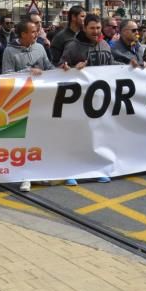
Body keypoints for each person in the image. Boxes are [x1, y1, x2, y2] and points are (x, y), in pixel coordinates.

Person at [60, 14, 115, 183]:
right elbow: (60, 68)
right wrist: (73, 69)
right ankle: (72, 172)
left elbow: (112, 65)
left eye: (98, 28)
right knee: (78, 137)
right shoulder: (72, 47)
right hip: (78, 100)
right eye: (92, 28)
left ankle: (97, 169)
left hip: (100, 100)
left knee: (98, 137)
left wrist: (130, 66)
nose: (96, 31)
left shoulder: (105, 44)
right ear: (84, 28)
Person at [1, 16, 54, 191]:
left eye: (36, 31)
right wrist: (28, 72)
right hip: (21, 102)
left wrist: (64, 70)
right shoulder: (9, 51)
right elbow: (7, 75)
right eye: (32, 32)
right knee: (24, 141)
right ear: (23, 34)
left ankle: (37, 173)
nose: (36, 33)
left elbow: (48, 67)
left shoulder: (40, 47)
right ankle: (25, 176)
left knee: (40, 139)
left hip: (41, 100)